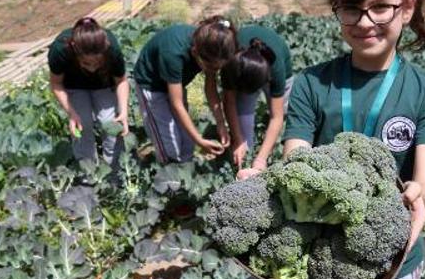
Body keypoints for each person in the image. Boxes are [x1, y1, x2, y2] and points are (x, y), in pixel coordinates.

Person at [278, 0, 425, 279]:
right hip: (314, 258)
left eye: (381, 7)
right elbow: (296, 161)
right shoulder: (311, 84)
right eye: (351, 8)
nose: (365, 22)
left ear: (406, 8)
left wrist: (415, 194)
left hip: (390, 262)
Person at [133, 16, 237, 164]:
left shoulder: (212, 47)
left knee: (187, 143)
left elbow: (210, 89)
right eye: (212, 68)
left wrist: (221, 124)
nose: (214, 71)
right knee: (170, 146)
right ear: (195, 53)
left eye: (218, 68)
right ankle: (168, 176)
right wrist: (200, 140)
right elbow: (177, 105)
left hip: (176, 84)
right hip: (151, 85)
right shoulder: (174, 53)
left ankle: (184, 174)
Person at [48, 17, 128, 165]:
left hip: (104, 83)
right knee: (81, 124)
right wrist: (71, 113)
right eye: (86, 63)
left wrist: (123, 112)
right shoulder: (60, 49)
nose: (92, 68)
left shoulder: (111, 48)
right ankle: (88, 171)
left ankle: (115, 169)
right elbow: (56, 84)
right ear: (74, 50)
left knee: (109, 122)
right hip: (74, 85)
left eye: (98, 62)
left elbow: (121, 81)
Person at [221, 25, 293, 176]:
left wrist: (261, 160)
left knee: (283, 113)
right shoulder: (230, 62)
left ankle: (264, 152)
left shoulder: (277, 69)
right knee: (243, 114)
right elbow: (229, 102)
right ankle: (245, 156)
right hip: (243, 65)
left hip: (278, 64)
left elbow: (276, 116)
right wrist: (238, 139)